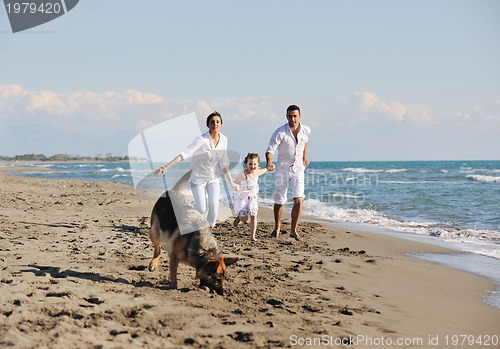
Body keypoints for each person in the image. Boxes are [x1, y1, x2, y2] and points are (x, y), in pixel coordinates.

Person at [155, 111, 239, 228]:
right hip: (198, 178)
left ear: (221, 124)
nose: (215, 124)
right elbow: (184, 154)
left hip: (213, 177)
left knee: (214, 207)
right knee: (201, 208)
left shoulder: (224, 139)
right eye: (212, 122)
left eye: (217, 122)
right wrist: (166, 167)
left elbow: (224, 161)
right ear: (208, 125)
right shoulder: (202, 140)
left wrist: (232, 182)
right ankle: (183, 211)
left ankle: (208, 229)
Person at [265, 105, 311, 241]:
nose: (293, 118)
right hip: (282, 170)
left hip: (298, 170)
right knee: (280, 201)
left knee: (299, 200)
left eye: (295, 116)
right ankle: (277, 227)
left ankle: (293, 230)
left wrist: (304, 157)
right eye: (290, 116)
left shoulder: (306, 130)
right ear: (286, 117)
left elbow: (305, 143)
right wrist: (269, 162)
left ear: (300, 116)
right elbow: (270, 150)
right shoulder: (280, 132)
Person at [231, 153, 268, 241]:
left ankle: (252, 236)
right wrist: (237, 186)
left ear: (258, 164)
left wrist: (268, 168)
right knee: (245, 219)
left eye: (255, 164)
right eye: (250, 164)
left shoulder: (257, 172)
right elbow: (235, 183)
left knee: (254, 216)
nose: (252, 166)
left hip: (253, 198)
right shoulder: (243, 174)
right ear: (246, 164)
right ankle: (240, 217)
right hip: (243, 198)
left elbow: (264, 170)